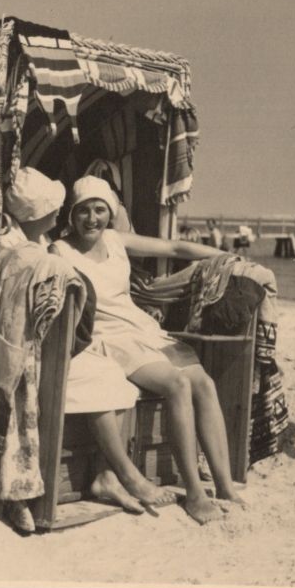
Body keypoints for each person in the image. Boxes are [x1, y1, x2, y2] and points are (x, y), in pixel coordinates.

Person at [50, 176, 244, 525]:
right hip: (109, 338)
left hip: (143, 329)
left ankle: (225, 485)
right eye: (83, 211)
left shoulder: (114, 239)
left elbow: (174, 249)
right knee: (177, 384)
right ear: (71, 215)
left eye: (99, 210)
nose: (92, 219)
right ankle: (196, 495)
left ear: (110, 213)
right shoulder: (60, 251)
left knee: (204, 384)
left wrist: (229, 258)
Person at [0, 168, 172, 517]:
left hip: (52, 344)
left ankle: (107, 476)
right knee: (106, 375)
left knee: (114, 374)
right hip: (34, 353)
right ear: (43, 213)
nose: (58, 212)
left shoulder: (40, 245)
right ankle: (126, 475)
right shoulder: (32, 250)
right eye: (56, 207)